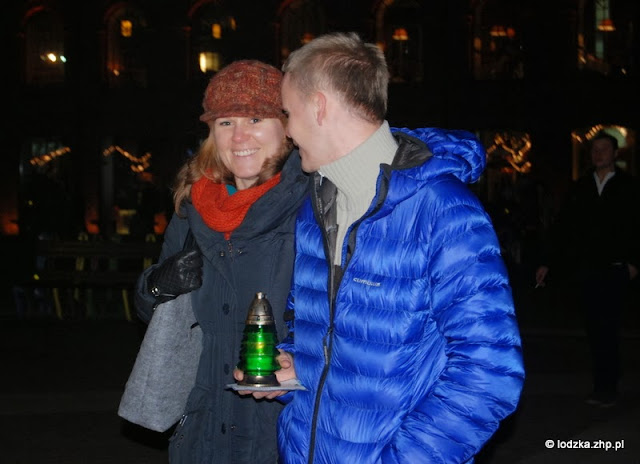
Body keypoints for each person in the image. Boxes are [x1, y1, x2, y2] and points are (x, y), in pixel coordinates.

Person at [238, 32, 525, 463]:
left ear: (318, 107)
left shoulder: (442, 211)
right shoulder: (315, 207)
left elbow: (489, 375)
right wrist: (296, 367)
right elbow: (321, 332)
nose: (288, 131)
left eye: (288, 112)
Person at [133, 60, 309, 464]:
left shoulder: (311, 206)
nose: (239, 136)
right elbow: (150, 311)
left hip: (280, 431)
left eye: (255, 119)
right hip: (203, 429)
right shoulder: (193, 206)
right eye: (226, 122)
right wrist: (158, 284)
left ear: (286, 126)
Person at [536, 130, 640, 407]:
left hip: (616, 267)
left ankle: (609, 385)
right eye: (594, 150)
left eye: (604, 149)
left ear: (615, 153)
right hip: (587, 267)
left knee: (610, 326)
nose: (598, 154)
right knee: (594, 327)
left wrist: (634, 263)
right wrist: (547, 261)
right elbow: (564, 227)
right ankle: (601, 383)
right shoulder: (581, 187)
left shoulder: (629, 187)